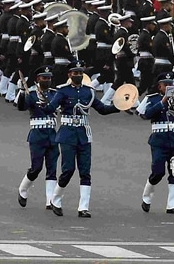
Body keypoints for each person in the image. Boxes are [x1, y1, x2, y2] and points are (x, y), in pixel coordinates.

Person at [41, 60, 121, 218]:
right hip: (67, 134)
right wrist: (43, 104)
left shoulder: (89, 92)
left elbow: (102, 109)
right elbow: (51, 108)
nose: (77, 75)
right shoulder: (62, 91)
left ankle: (83, 208)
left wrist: (119, 106)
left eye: (80, 73)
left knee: (85, 172)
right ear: (69, 75)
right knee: (68, 170)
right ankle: (55, 200)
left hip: (84, 134)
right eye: (74, 73)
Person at [140, 72, 174, 215]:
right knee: (158, 172)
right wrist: (163, 102)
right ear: (160, 86)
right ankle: (147, 197)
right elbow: (144, 114)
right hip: (158, 141)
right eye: (166, 85)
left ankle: (172, 205)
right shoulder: (151, 98)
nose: (169, 87)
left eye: (171, 84)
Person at [17, 66, 59, 209]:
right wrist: (22, 92)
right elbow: (21, 107)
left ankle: (50, 201)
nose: (47, 80)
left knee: (52, 168)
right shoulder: (32, 94)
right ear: (37, 79)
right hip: (37, 135)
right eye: (44, 78)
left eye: (49, 78)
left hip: (52, 134)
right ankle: (23, 189)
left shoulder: (54, 94)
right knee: (36, 168)